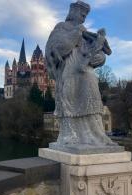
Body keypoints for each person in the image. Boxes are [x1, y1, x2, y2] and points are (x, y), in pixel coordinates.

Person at [45, 0, 116, 149]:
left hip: (85, 71)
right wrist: (77, 33)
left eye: (85, 16)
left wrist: (100, 58)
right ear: (73, 13)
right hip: (68, 71)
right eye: (81, 15)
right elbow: (56, 49)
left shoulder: (86, 33)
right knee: (70, 99)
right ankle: (70, 135)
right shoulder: (61, 28)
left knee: (92, 94)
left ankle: (96, 135)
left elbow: (96, 52)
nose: (83, 18)